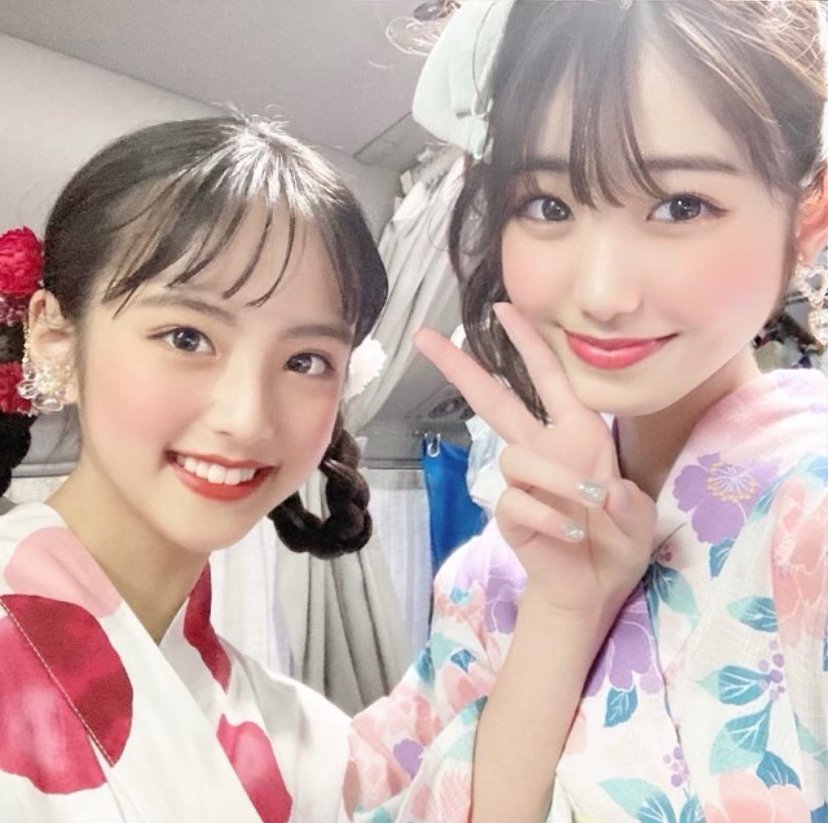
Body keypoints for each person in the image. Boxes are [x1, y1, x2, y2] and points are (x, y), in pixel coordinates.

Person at [346, 1, 828, 821]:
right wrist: (563, 612)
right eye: (547, 205)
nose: (602, 293)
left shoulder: (811, 515)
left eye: (681, 205)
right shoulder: (492, 572)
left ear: (809, 214)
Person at [0, 114, 387, 821]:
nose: (247, 417)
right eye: (187, 337)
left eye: (305, 360)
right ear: (54, 339)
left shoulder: (314, 745)